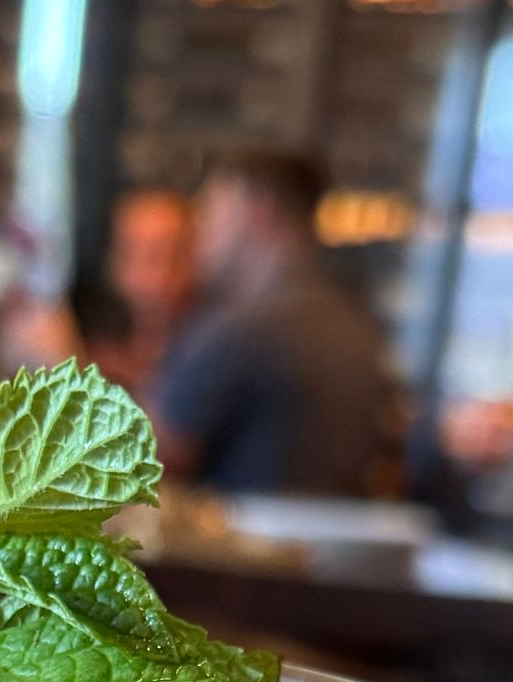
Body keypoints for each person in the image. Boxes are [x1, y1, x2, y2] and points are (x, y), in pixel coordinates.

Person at [154, 150, 384, 498]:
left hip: (240, 546)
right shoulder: (356, 326)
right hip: (320, 545)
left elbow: (145, 459)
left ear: (256, 211)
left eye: (212, 212)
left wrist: (66, 364)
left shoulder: (247, 327)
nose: (200, 231)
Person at [107, 189, 198, 396]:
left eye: (177, 255)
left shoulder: (209, 348)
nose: (163, 275)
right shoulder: (101, 347)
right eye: (150, 257)